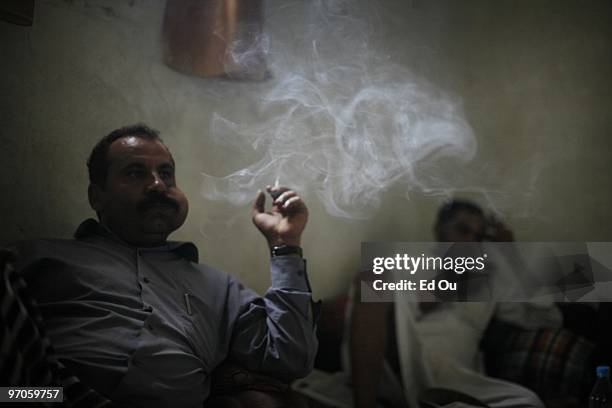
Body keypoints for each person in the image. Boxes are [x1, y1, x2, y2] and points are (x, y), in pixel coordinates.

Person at [11, 124, 318, 407]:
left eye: (167, 173)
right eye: (135, 173)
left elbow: (290, 360)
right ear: (97, 197)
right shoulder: (38, 258)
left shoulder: (218, 287)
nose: (158, 185)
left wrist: (284, 246)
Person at [348, 199, 562, 408]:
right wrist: (451, 282)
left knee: (528, 401)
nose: (470, 242)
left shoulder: (492, 278)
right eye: (462, 230)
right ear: (439, 229)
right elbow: (403, 310)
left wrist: (511, 253)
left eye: (478, 237)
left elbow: (548, 318)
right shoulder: (409, 260)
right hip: (403, 365)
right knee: (373, 280)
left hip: (457, 381)